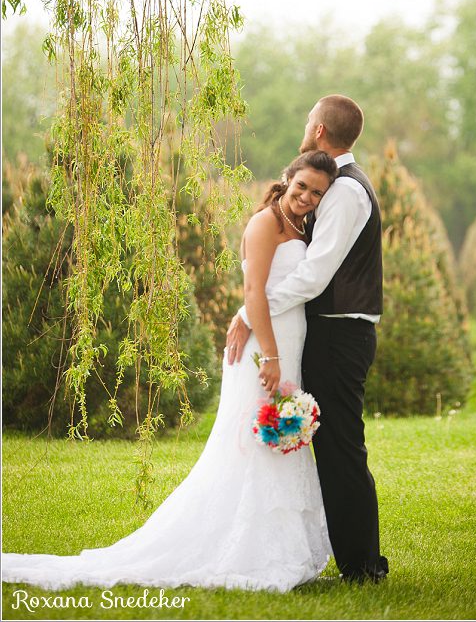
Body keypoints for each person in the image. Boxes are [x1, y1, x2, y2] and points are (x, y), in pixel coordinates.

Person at [1, 151, 339, 592]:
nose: (307, 197)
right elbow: (254, 292)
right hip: (265, 348)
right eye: (302, 187)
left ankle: (280, 544)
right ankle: (243, 545)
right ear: (286, 179)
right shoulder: (265, 224)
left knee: (276, 440)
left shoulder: (300, 225)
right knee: (252, 441)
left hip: (288, 342)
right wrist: (271, 357)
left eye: (317, 193)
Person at [225, 94, 389, 585]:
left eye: (306, 117)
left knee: (341, 448)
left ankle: (363, 567)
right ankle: (354, 561)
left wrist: (248, 312)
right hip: (326, 332)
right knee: (333, 446)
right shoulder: (330, 187)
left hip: (341, 334)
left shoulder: (345, 192)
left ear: (319, 129)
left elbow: (316, 275)